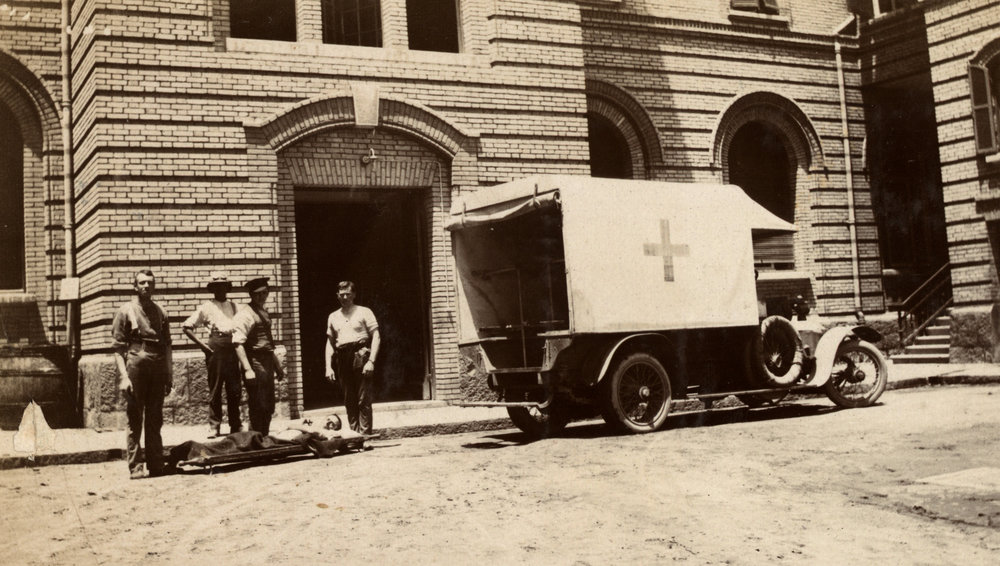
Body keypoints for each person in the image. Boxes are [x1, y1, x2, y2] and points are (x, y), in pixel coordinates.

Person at [112, 269, 172, 479]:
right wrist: (124, 377)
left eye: (150, 283)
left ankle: (156, 464)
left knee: (155, 417)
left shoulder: (161, 312)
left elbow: (167, 346)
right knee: (135, 417)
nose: (147, 286)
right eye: (142, 283)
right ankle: (136, 466)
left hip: (157, 364)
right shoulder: (126, 310)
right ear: (135, 286)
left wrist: (169, 374)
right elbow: (118, 349)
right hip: (136, 363)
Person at [183, 272, 241, 438]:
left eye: (223, 286)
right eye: (217, 287)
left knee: (234, 389)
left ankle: (235, 425)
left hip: (232, 348)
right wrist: (203, 346)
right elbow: (187, 327)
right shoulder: (206, 307)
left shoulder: (234, 306)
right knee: (215, 388)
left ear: (227, 288)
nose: (220, 290)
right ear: (212, 289)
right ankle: (214, 426)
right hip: (215, 349)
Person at [325, 281, 381, 435]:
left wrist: (371, 361)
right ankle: (353, 436)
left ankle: (365, 436)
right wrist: (328, 367)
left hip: (360, 355)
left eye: (348, 294)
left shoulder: (364, 312)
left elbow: (376, 336)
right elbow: (330, 343)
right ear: (337, 296)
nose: (345, 298)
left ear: (354, 295)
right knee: (349, 399)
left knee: (363, 399)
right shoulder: (333, 316)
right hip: (342, 357)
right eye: (341, 295)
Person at [233, 277, 284, 436]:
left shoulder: (263, 312)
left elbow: (268, 343)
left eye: (264, 293)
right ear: (251, 295)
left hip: (267, 361)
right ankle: (255, 438)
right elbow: (238, 343)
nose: (261, 297)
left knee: (268, 403)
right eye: (257, 294)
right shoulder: (245, 314)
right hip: (254, 361)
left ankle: (264, 436)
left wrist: (277, 365)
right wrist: (248, 369)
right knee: (257, 402)